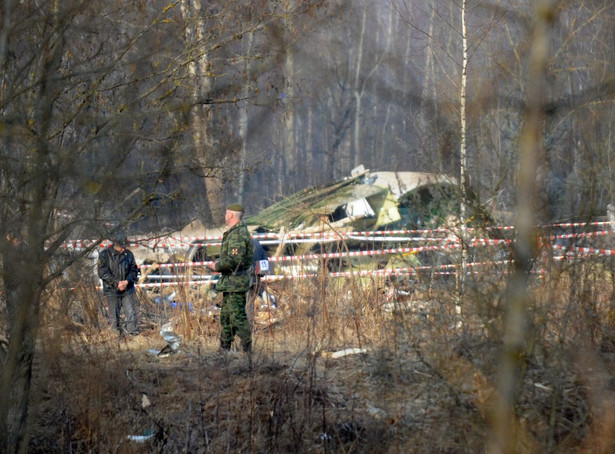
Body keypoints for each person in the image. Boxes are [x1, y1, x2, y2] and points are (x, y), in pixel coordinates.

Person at [211, 204, 254, 353]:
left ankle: (247, 351)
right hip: (231, 283)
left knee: (237, 317)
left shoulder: (237, 234)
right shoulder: (236, 232)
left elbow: (234, 260)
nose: (224, 216)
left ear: (231, 215)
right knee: (227, 317)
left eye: (226, 213)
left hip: (236, 282)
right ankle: (224, 349)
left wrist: (217, 266)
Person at [97, 233, 140, 335]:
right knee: (113, 316)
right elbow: (103, 273)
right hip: (112, 290)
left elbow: (134, 270)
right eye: (121, 247)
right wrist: (117, 283)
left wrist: (127, 281)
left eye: (125, 247)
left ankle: (133, 334)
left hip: (127, 289)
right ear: (115, 245)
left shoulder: (129, 255)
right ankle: (115, 336)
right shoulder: (104, 255)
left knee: (131, 313)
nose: (123, 249)